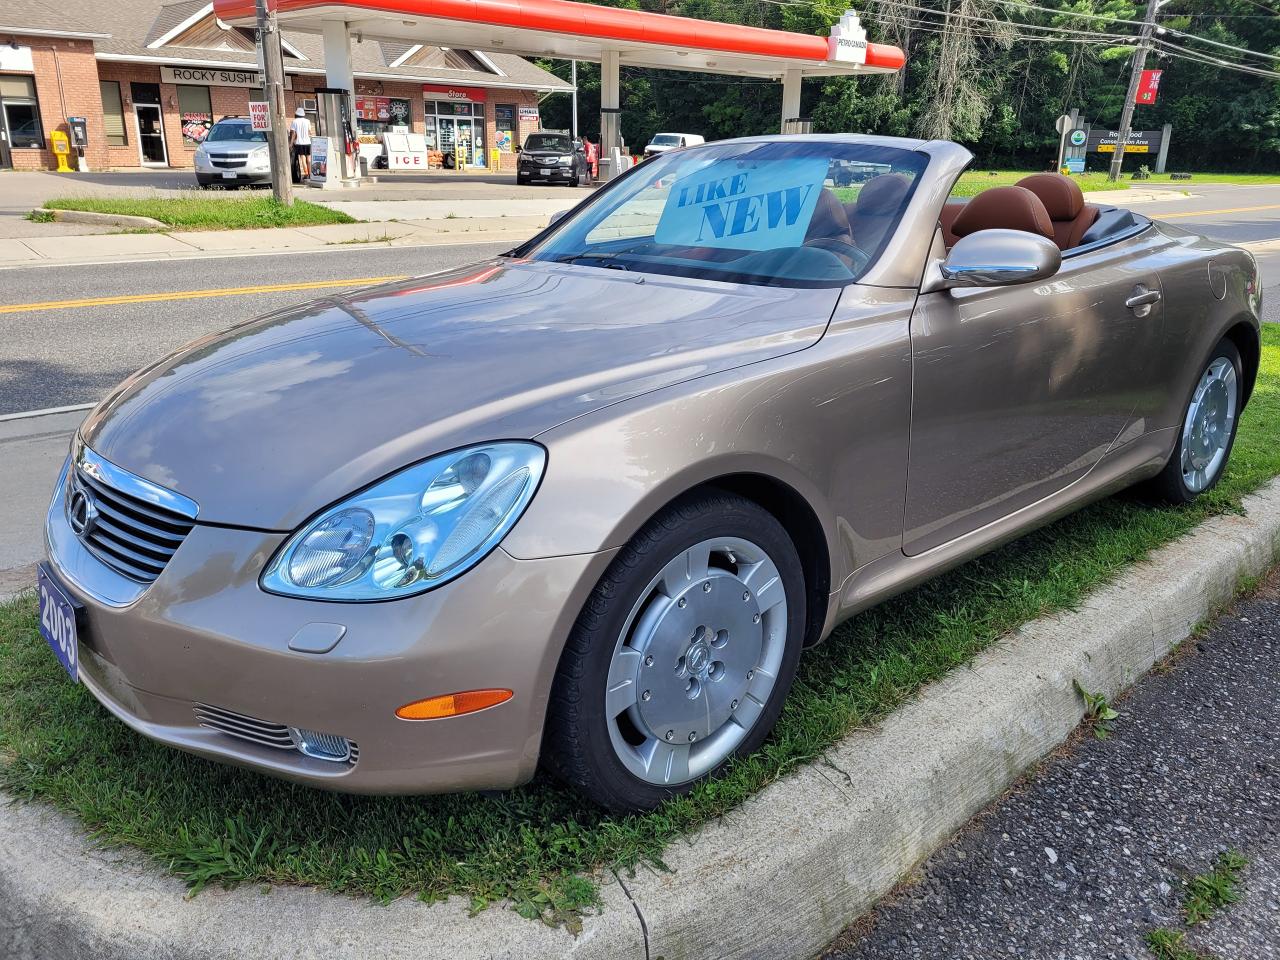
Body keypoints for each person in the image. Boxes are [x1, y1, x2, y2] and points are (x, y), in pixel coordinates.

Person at [289, 107, 313, 180]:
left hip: (299, 143)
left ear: (296, 114)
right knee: (308, 158)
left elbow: (293, 134)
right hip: (308, 142)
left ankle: (306, 173)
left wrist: (291, 143)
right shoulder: (308, 121)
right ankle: (311, 173)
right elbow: (310, 132)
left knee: (302, 158)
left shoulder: (294, 121)